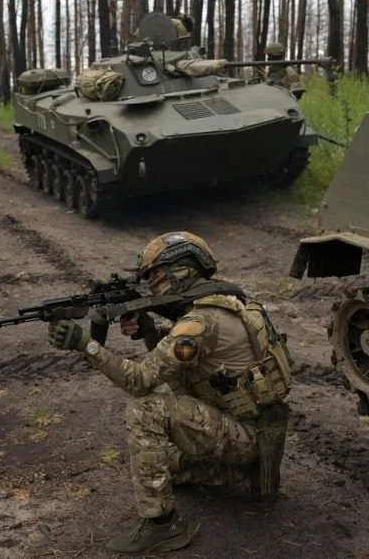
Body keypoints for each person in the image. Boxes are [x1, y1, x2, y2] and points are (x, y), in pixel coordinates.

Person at [47, 232, 292, 554]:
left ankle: (163, 525)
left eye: (154, 276)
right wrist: (149, 329)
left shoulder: (199, 322)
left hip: (246, 434)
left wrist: (86, 345)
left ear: (182, 270)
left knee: (145, 409)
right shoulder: (225, 304)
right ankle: (244, 470)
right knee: (158, 465)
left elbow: (141, 380)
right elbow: (180, 360)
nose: (150, 286)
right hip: (254, 428)